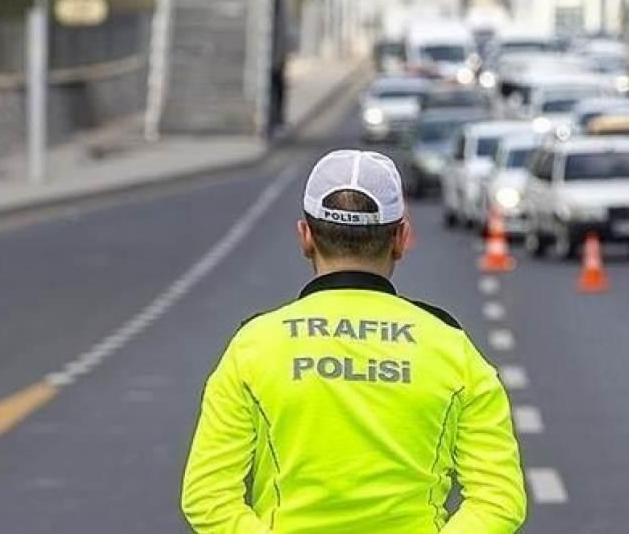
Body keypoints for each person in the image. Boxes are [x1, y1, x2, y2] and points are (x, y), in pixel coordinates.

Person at [181, 149, 527, 533]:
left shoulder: (254, 346)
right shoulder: (452, 348)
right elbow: (499, 498)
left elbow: (207, 495)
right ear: (400, 238)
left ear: (306, 236)